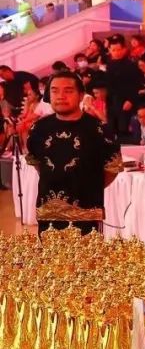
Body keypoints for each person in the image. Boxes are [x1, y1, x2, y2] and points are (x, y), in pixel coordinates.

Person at [26, 71, 122, 233]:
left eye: (68, 91)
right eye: (55, 91)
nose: (60, 96)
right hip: (48, 212)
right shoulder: (38, 129)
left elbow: (111, 170)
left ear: (81, 95)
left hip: (87, 213)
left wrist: (87, 186)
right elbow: (38, 165)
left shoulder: (99, 130)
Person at [104, 37, 142, 142]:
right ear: (109, 50)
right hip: (112, 102)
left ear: (124, 49)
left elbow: (136, 85)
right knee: (112, 129)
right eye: (113, 50)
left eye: (118, 50)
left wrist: (131, 100)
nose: (116, 53)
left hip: (126, 101)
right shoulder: (109, 65)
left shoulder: (131, 65)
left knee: (124, 129)